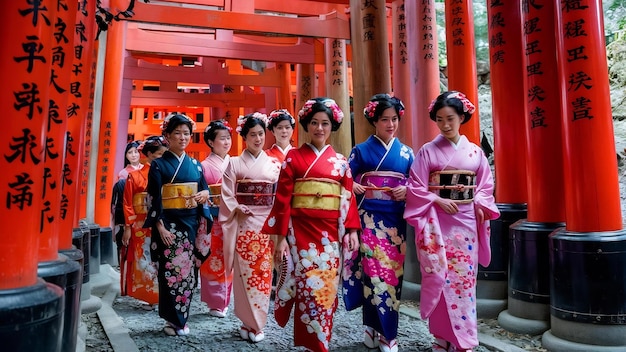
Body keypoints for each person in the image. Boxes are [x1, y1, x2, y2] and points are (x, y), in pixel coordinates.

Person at [403, 91, 500, 352]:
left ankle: (464, 340)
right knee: (438, 276)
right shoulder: (427, 152)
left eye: (450, 119)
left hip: (466, 222)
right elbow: (416, 187)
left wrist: (479, 202)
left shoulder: (475, 153)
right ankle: (441, 336)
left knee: (464, 280)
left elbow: (485, 186)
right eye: (440, 119)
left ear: (461, 118)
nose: (445, 125)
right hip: (436, 224)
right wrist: (437, 200)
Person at [262, 97, 361, 352]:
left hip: (330, 235)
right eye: (314, 123)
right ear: (307, 125)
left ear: (332, 127)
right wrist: (280, 236)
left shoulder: (340, 162)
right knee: (306, 286)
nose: (319, 128)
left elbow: (347, 198)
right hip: (300, 233)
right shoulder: (293, 158)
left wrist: (351, 229)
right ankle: (313, 342)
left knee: (326, 286)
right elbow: (283, 199)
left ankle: (321, 340)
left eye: (325, 123)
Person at [345, 94, 414, 352]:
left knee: (392, 277)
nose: (390, 124)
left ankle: (387, 334)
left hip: (394, 221)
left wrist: (406, 189)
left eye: (394, 119)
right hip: (369, 220)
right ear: (374, 121)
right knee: (373, 275)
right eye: (384, 119)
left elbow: (415, 183)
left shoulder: (407, 153)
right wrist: (353, 185)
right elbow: (344, 180)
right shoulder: (361, 151)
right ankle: (373, 327)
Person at [143, 113, 212, 336]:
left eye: (186, 134)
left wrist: (203, 194)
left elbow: (205, 190)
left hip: (190, 223)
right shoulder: (159, 165)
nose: (183, 138)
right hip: (169, 225)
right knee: (171, 271)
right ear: (167, 136)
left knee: (188, 273)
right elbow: (154, 198)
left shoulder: (196, 165)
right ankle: (172, 320)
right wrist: (159, 227)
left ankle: (182, 318)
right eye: (177, 133)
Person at [219, 112, 282, 343]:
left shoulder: (274, 164)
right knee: (245, 274)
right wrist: (236, 206)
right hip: (244, 224)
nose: (258, 139)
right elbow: (227, 193)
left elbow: (280, 195)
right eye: (253, 135)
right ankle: (247, 321)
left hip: (266, 224)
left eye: (260, 134)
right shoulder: (234, 163)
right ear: (244, 137)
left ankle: (257, 324)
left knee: (263, 275)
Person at [120, 136, 168, 308]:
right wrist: (128, 227)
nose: (162, 158)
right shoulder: (134, 176)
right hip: (141, 223)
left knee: (163, 257)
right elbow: (128, 203)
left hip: (163, 220)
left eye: (164, 155)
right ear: (148, 154)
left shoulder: (167, 173)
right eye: (158, 155)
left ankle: (162, 294)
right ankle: (148, 294)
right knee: (145, 257)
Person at [198, 119, 233, 318]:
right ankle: (214, 302)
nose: (227, 142)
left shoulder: (234, 162)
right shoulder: (203, 166)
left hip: (231, 218)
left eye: (228, 138)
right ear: (211, 142)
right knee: (212, 258)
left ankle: (226, 298)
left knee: (228, 257)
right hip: (211, 219)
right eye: (222, 139)